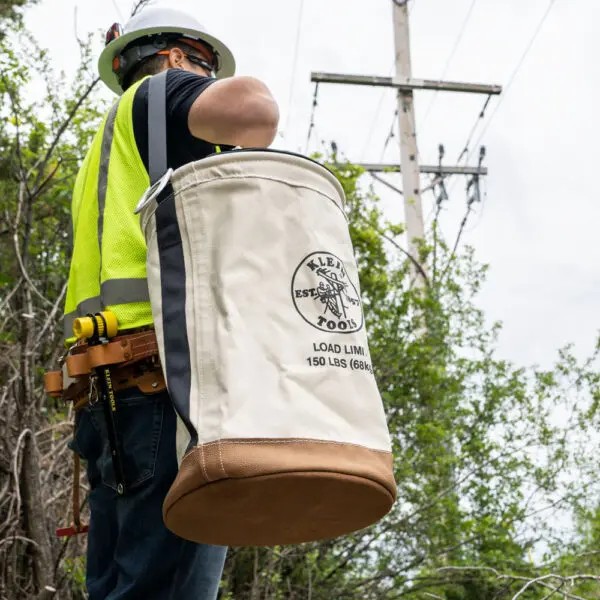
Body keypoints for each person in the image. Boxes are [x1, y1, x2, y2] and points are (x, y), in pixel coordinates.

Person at [63, 7, 279, 600]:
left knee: (118, 589)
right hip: (166, 391)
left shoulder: (106, 153)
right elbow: (256, 114)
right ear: (177, 57)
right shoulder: (160, 91)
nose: (204, 83)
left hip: (112, 401)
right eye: (203, 69)